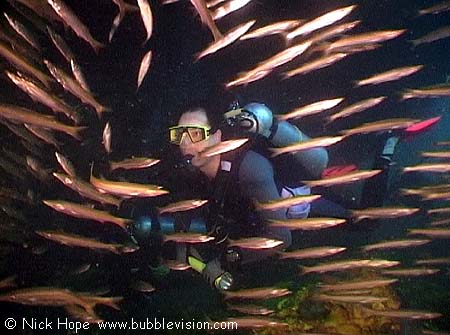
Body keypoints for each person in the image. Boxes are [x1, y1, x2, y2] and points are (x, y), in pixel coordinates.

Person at [165, 101, 331, 290]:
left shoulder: (249, 169)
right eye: (179, 135)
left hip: (320, 217)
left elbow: (280, 237)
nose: (185, 144)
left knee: (364, 221)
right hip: (286, 248)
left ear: (217, 136)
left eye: (195, 134)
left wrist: (226, 260)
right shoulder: (194, 176)